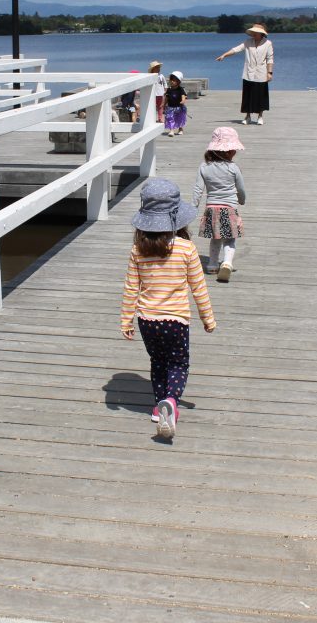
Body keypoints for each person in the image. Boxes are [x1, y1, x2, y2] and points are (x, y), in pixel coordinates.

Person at [120, 178, 216, 439]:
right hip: (176, 320)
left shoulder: (138, 250)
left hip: (147, 320)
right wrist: (208, 318)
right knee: (178, 363)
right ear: (178, 219)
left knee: (158, 361)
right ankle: (171, 401)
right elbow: (198, 288)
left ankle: (158, 405)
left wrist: (126, 320)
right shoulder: (186, 249)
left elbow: (131, 288)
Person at [193, 127, 246, 283]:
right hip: (229, 208)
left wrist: (194, 206)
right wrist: (241, 200)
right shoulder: (233, 168)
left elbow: (198, 189)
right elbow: (241, 189)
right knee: (230, 239)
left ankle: (212, 264)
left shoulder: (204, 167)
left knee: (216, 238)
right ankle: (227, 263)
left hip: (211, 208)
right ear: (228, 151)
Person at [215, 23, 273, 125]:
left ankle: (260, 116)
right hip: (248, 73)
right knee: (248, 96)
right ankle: (247, 116)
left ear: (261, 34)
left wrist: (269, 73)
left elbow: (270, 59)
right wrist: (224, 55)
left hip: (261, 73)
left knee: (260, 96)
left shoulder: (268, 43)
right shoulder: (248, 42)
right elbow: (236, 49)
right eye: (253, 32)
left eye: (256, 32)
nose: (254, 34)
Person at [163, 70, 188, 136]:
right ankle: (171, 130)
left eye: (174, 80)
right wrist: (164, 104)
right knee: (170, 118)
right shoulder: (169, 89)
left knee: (180, 118)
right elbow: (166, 98)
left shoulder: (180, 89)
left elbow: (183, 95)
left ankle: (180, 129)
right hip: (170, 107)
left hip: (179, 107)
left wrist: (183, 101)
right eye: (171, 80)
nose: (172, 81)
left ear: (178, 81)